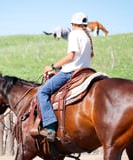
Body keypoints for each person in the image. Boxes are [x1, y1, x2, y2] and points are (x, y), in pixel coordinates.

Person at [37, 12, 94, 142]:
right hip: (85, 72)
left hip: (70, 72)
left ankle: (50, 128)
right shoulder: (87, 36)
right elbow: (88, 57)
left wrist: (52, 67)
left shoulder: (74, 34)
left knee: (42, 92)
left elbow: (71, 56)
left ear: (73, 24)